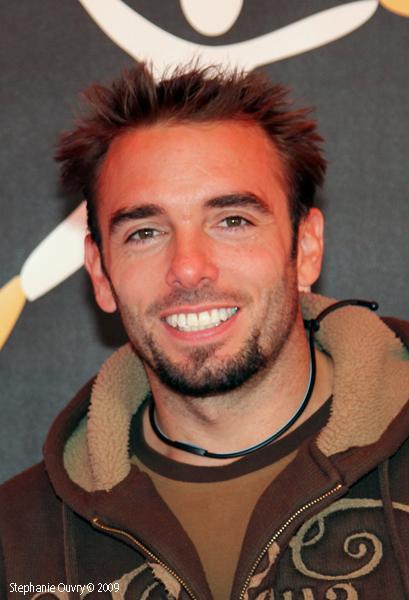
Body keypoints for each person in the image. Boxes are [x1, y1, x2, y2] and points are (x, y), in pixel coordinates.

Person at [1, 63, 408, 600]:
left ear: (306, 247)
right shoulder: (16, 541)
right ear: (100, 273)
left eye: (232, 221)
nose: (189, 268)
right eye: (145, 232)